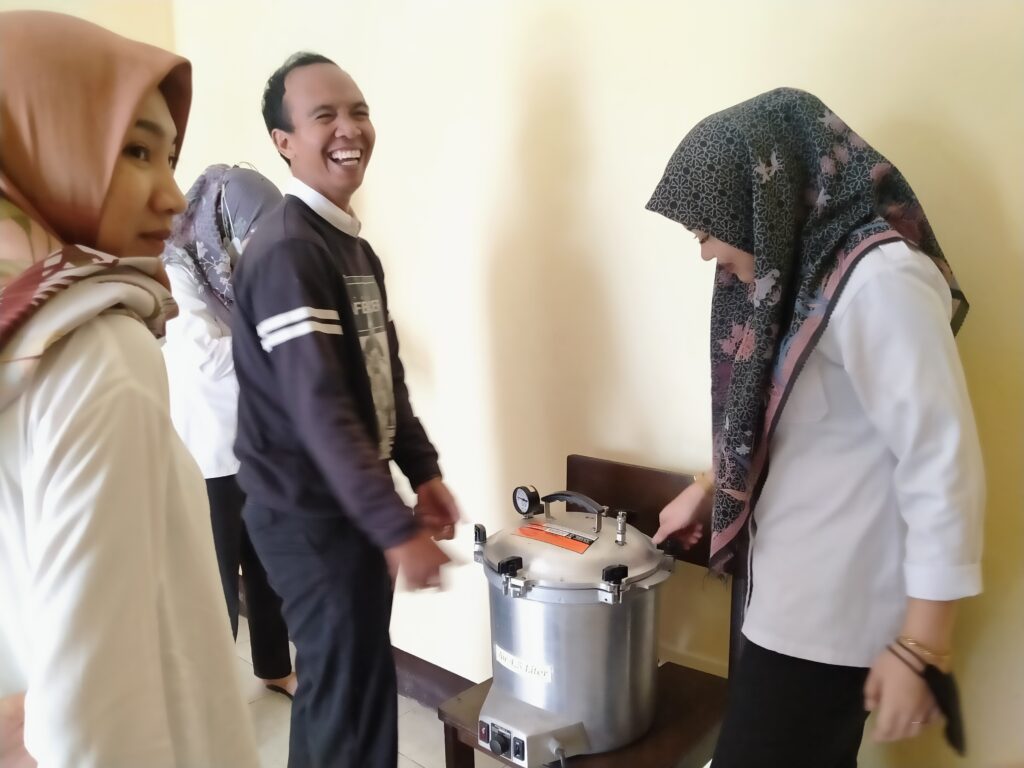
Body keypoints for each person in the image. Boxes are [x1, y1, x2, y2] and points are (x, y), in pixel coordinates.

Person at [646, 88, 984, 766]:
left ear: (756, 201)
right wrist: (708, 488)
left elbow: (942, 461)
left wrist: (923, 645)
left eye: (705, 231)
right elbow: (800, 425)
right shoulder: (802, 279)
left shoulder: (879, 280)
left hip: (832, 616)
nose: (706, 253)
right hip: (789, 599)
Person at [0, 12, 259, 767]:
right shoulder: (97, 352)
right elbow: (95, 722)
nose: (173, 196)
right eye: (137, 151)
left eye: (169, 157)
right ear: (42, 145)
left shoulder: (18, 332)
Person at [231, 51, 460, 768]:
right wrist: (394, 527)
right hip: (307, 516)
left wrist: (422, 472)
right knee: (344, 702)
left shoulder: (351, 248)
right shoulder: (288, 251)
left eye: (358, 111)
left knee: (353, 691)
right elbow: (318, 408)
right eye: (323, 115)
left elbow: (383, 375)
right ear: (284, 142)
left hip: (347, 509)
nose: (348, 128)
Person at [162, 164, 297, 698]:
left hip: (257, 441)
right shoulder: (178, 268)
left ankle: (274, 667)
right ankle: (207, 694)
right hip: (207, 451)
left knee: (267, 567)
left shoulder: (245, 276)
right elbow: (207, 359)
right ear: (224, 223)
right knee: (215, 579)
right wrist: (276, 338)